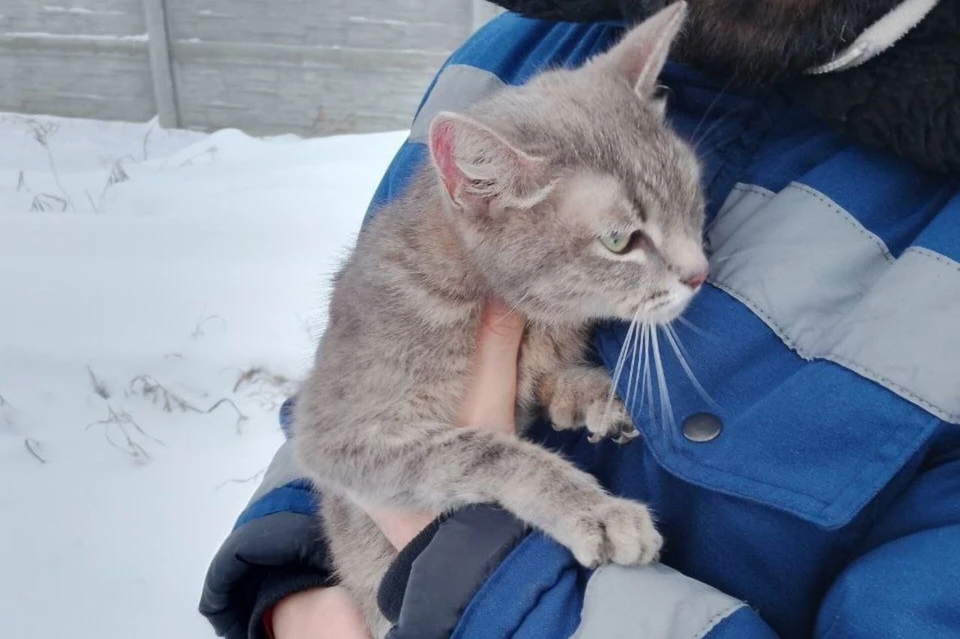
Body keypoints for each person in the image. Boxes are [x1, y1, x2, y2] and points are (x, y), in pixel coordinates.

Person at [199, 1, 960, 637]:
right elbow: (341, 402)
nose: (695, 267)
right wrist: (292, 587)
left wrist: (478, 576)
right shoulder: (512, 52)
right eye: (626, 239)